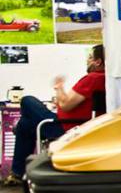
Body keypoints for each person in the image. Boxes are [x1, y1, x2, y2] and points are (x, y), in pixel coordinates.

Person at [4, 45, 105, 185]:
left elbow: (65, 104)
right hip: (77, 125)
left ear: (98, 62)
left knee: (27, 100)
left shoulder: (93, 78)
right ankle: (17, 174)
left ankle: (18, 174)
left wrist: (59, 87)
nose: (88, 61)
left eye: (90, 58)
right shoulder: (106, 80)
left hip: (64, 128)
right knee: (25, 125)